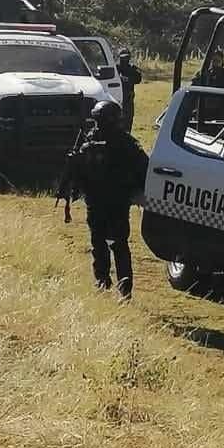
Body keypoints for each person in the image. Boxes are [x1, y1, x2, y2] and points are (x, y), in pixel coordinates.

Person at [67, 100, 149, 299]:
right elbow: (144, 168)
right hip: (112, 202)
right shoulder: (125, 143)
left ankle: (105, 282)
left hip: (102, 202)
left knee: (103, 243)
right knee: (116, 244)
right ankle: (119, 287)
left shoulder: (94, 143)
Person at [115, 49, 142, 131]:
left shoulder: (132, 69)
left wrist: (130, 77)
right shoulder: (116, 68)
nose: (124, 60)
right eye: (123, 58)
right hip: (117, 96)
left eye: (126, 57)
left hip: (128, 97)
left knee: (128, 119)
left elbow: (138, 79)